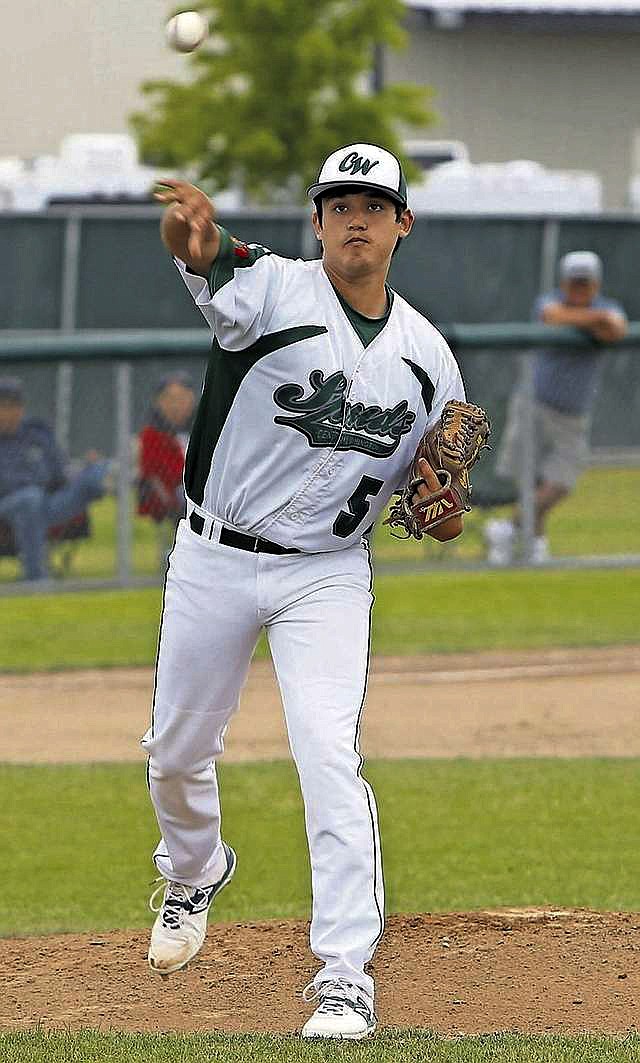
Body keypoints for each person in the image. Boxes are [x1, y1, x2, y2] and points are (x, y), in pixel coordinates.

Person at [144, 143, 467, 1041]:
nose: (354, 216)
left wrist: (443, 507)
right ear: (317, 220)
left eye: (373, 203)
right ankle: (194, 866)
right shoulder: (273, 288)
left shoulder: (429, 360)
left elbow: (442, 516)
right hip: (215, 553)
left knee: (328, 755)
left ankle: (346, 974)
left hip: (326, 572)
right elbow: (199, 249)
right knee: (175, 753)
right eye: (338, 202)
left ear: (403, 223)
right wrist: (186, 226)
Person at [485, 251, 628, 565]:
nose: (579, 290)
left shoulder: (608, 308)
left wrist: (595, 320)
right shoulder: (550, 302)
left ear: (596, 284)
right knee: (529, 480)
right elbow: (552, 316)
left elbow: (616, 328)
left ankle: (507, 528)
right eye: (574, 283)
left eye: (585, 284)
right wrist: (594, 322)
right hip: (534, 403)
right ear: (564, 283)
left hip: (572, 414)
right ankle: (534, 545)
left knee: (562, 482)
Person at [0, 377, 111, 581]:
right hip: (9, 506)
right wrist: (35, 481)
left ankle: (110, 479)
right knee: (29, 498)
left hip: (48, 503)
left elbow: (60, 470)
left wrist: (83, 467)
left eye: (14, 407)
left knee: (94, 472)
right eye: (3, 407)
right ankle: (36, 577)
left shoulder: (36, 432)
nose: (9, 413)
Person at [137, 372, 196, 525]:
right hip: (171, 496)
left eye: (183, 399)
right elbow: (161, 472)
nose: (176, 405)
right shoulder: (152, 434)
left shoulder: (201, 429)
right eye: (170, 399)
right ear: (159, 402)